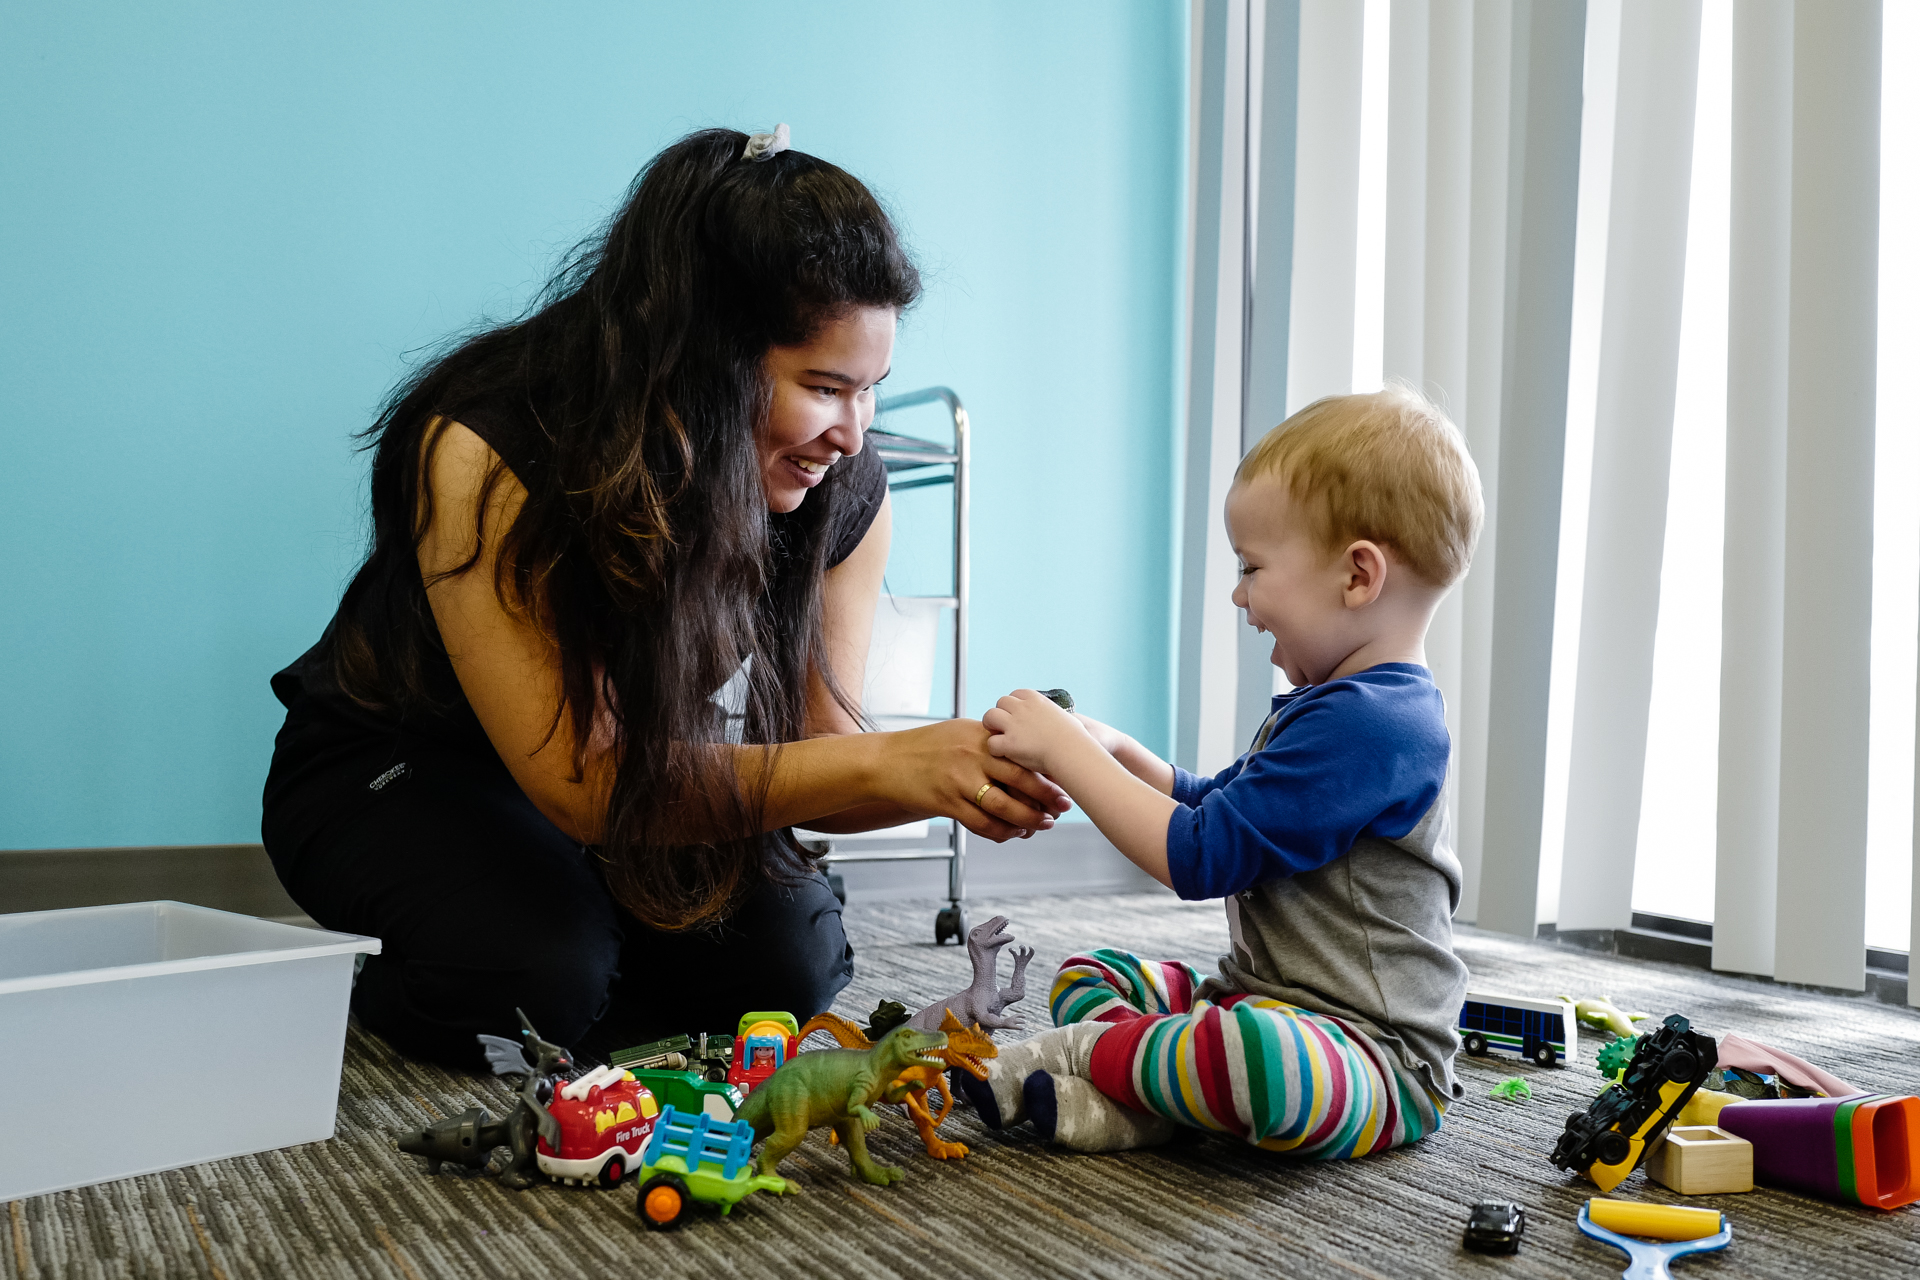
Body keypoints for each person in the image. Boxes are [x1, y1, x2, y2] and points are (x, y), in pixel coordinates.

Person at [261, 127, 1067, 1069]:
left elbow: (823, 758)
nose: (854, 434)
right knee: (539, 978)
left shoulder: (843, 492)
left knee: (790, 971)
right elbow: (587, 781)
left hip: (620, 792)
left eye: (872, 391)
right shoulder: (492, 444)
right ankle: (457, 963)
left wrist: (964, 767)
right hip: (401, 768)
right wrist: (893, 763)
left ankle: (571, 944)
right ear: (702, 359)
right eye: (824, 387)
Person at [962, 386, 1481, 1156]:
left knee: (1261, 1064)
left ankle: (1090, 1064)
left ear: (1358, 575)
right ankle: (1149, 1101)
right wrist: (1115, 749)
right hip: (1256, 1000)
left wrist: (1064, 754)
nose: (1239, 595)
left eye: (1252, 567)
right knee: (1090, 972)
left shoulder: (1377, 724)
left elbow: (1203, 855)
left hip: (1372, 1059)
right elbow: (1221, 808)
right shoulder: (1328, 704)